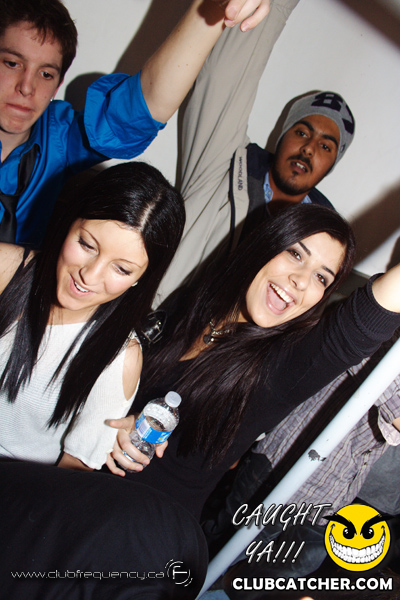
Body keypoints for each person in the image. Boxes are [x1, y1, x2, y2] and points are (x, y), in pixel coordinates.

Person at [107, 203, 400, 522]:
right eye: (296, 254)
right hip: (91, 487)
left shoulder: (281, 367)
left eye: (321, 277)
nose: (302, 280)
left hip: (148, 530)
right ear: (267, 244)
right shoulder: (191, 303)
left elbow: (364, 320)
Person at [0, 0, 271, 247]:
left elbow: (138, 112)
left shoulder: (56, 136)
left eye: (46, 74)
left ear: (58, 84)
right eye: (12, 63)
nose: (27, 87)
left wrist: (211, 7)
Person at [155, 0, 355, 303]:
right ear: (283, 135)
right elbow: (225, 79)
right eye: (302, 132)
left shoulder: (321, 244)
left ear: (332, 164)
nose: (308, 148)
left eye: (325, 146)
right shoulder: (225, 164)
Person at [0, 160, 185, 470]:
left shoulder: (119, 359)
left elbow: (70, 476)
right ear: (70, 222)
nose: (90, 275)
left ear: (141, 278)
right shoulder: (7, 269)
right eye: (87, 244)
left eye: (122, 269)